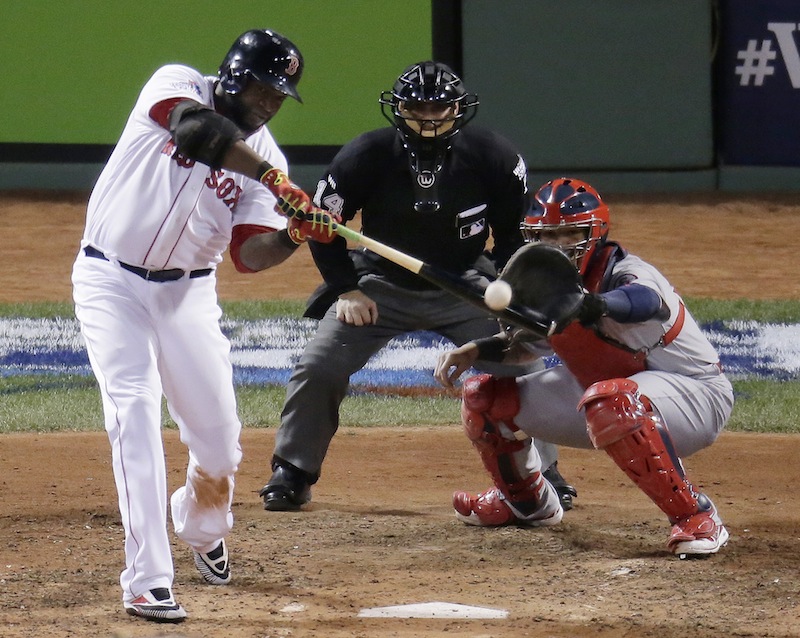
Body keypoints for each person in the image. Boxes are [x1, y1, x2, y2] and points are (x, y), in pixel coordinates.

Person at [72, 29, 337, 623]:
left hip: (188, 294)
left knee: (219, 441)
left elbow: (250, 255)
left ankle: (201, 524)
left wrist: (296, 234)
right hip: (109, 281)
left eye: (282, 95)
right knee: (133, 414)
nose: (271, 103)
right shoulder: (178, 84)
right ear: (236, 75)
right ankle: (146, 579)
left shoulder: (270, 156)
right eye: (266, 89)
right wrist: (272, 180)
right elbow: (197, 132)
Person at [259, 61, 576, 513]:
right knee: (319, 366)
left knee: (524, 367)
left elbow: (511, 239)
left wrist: (512, 291)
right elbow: (322, 225)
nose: (429, 117)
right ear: (399, 109)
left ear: (458, 108)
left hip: (465, 286)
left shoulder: (496, 158)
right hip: (378, 284)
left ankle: (541, 473)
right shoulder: (364, 155)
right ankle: (292, 471)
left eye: (440, 107)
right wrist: (347, 288)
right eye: (417, 107)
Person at [434, 177, 733, 557]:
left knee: (613, 399)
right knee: (485, 398)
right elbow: (527, 345)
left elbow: (645, 302)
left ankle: (696, 516)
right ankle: (527, 502)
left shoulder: (627, 272)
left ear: (596, 232)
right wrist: (474, 350)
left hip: (695, 395)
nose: (558, 245)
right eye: (548, 236)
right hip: (611, 394)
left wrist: (595, 305)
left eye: (569, 233)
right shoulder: (550, 284)